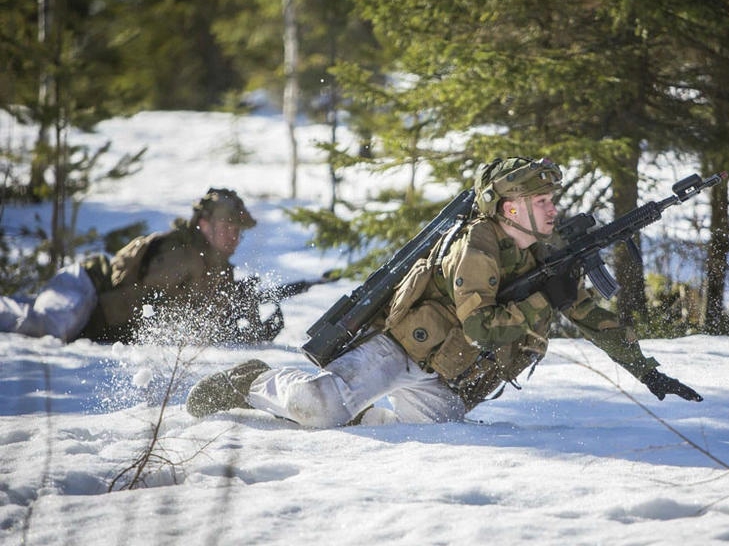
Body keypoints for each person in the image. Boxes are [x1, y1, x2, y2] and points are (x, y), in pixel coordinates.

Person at [186, 158, 701, 425]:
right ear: (509, 208)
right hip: (401, 349)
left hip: (449, 381)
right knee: (318, 409)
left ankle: (364, 408)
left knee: (419, 439)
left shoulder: (545, 251)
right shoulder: (475, 245)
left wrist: (646, 370)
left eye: (552, 199)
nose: (552, 209)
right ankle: (257, 382)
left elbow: (589, 314)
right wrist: (548, 299)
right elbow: (481, 327)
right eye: (540, 200)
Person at [0, 188, 282, 344]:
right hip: (86, 287)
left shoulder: (216, 269)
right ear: (203, 224)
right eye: (227, 226)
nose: (234, 235)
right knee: (46, 326)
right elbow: (154, 304)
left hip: (94, 320)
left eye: (238, 229)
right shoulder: (182, 253)